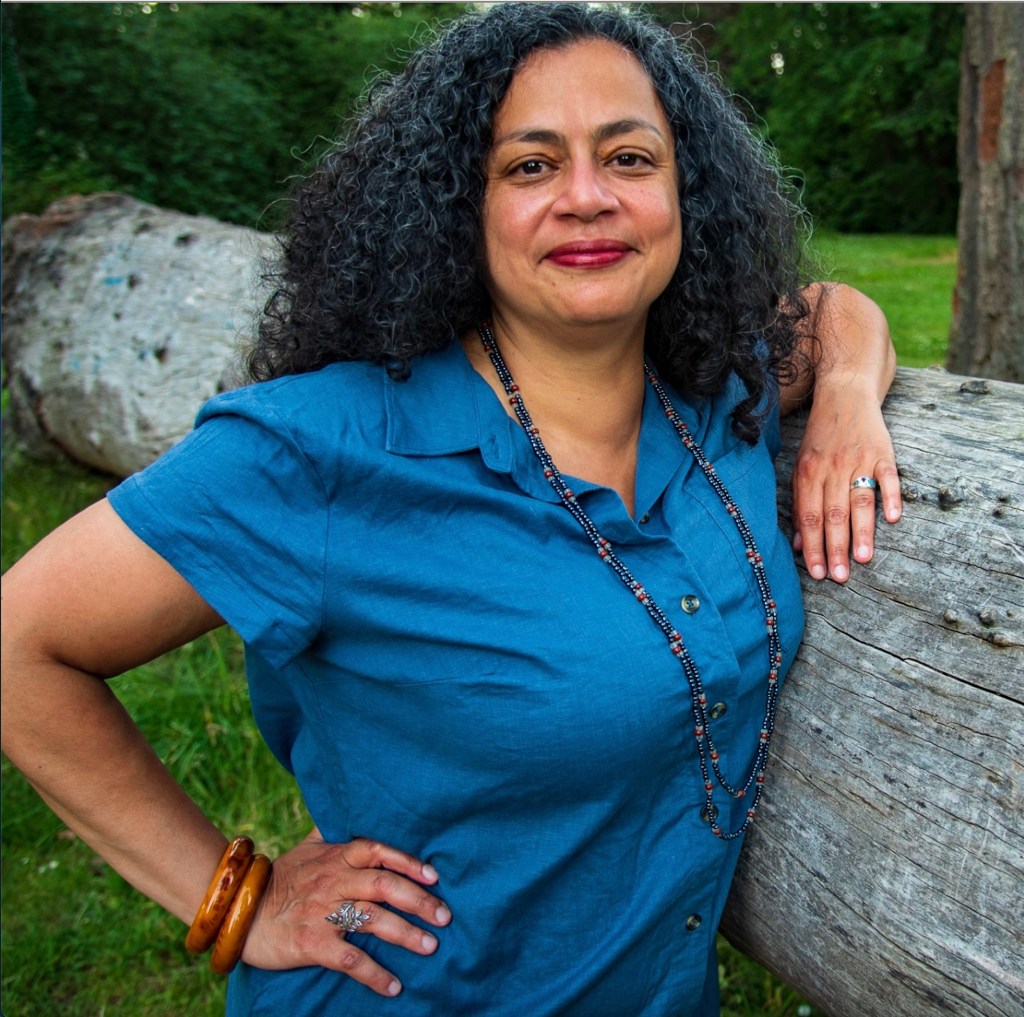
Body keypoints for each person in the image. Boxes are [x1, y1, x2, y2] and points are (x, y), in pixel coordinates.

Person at [1, 4, 902, 1014]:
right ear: (454, 204)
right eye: (530, 166)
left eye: (630, 158)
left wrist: (845, 395)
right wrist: (237, 900)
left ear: (686, 190)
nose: (587, 197)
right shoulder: (325, 450)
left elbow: (833, 313)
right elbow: (18, 643)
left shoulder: (709, 395)